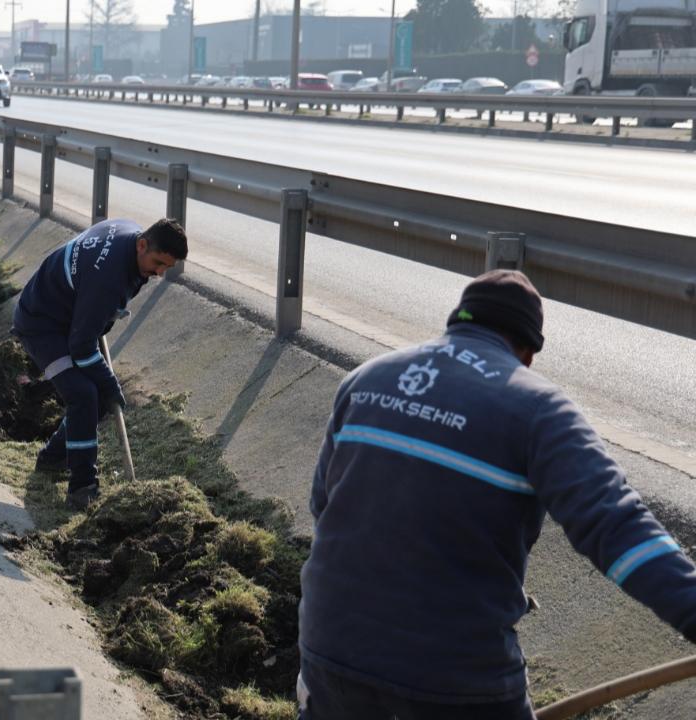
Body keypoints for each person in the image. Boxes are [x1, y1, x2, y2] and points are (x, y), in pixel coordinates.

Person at [297, 269, 696, 719]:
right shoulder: (540, 411)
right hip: (455, 676)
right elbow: (616, 526)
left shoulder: (365, 379)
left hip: (327, 644)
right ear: (527, 351)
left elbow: (323, 507)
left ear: (457, 323)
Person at [11, 218, 187, 509]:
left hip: (72, 317)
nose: (159, 273)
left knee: (97, 397)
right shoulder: (108, 278)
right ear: (142, 244)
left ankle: (52, 458)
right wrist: (109, 383)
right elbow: (81, 348)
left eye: (166, 268)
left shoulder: (128, 232)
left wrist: (101, 320)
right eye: (157, 263)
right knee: (83, 393)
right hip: (41, 324)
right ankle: (83, 487)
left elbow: (90, 320)